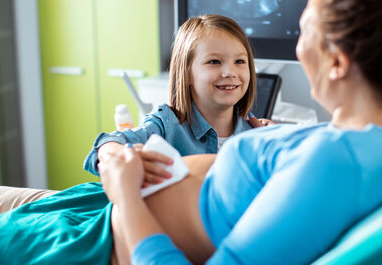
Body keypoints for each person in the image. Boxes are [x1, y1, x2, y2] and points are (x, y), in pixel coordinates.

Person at [0, 0, 382, 265]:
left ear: (337, 62)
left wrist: (124, 194)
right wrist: (286, 142)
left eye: (305, 33)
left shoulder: (334, 165)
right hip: (102, 210)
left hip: (109, 252)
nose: (297, 47)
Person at [84, 14, 267, 184]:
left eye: (240, 62)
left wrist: (275, 142)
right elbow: (104, 146)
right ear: (186, 73)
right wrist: (120, 154)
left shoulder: (255, 133)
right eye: (214, 62)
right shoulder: (166, 124)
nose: (230, 73)